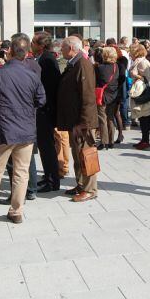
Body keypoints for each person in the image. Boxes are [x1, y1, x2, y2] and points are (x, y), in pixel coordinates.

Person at [0, 36, 46, 225]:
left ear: (10, 51)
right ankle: (16, 210)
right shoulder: (32, 75)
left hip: (4, 128)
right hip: (25, 129)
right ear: (27, 52)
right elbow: (41, 100)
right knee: (21, 172)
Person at [56, 36, 99, 202]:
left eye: (63, 48)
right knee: (77, 154)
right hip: (75, 120)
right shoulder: (75, 63)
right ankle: (81, 184)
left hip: (82, 123)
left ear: (72, 48)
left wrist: (83, 123)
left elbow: (88, 95)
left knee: (86, 154)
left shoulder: (83, 64)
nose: (61, 51)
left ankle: (90, 189)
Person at [31, 31, 62, 193]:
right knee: (44, 146)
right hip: (43, 109)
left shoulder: (48, 60)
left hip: (45, 110)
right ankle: (49, 176)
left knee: (47, 145)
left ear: (41, 45)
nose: (31, 45)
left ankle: (52, 180)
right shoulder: (43, 58)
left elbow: (49, 87)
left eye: (33, 42)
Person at [129, 44, 150, 150]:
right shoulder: (140, 61)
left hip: (142, 90)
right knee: (142, 116)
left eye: (131, 51)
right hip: (140, 88)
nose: (130, 54)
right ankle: (144, 139)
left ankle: (146, 140)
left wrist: (137, 76)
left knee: (144, 116)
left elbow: (148, 77)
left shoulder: (142, 62)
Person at [96, 47, 120, 150]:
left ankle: (104, 142)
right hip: (113, 94)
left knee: (102, 119)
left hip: (102, 95)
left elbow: (96, 80)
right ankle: (111, 141)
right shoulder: (116, 66)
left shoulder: (99, 67)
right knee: (110, 118)